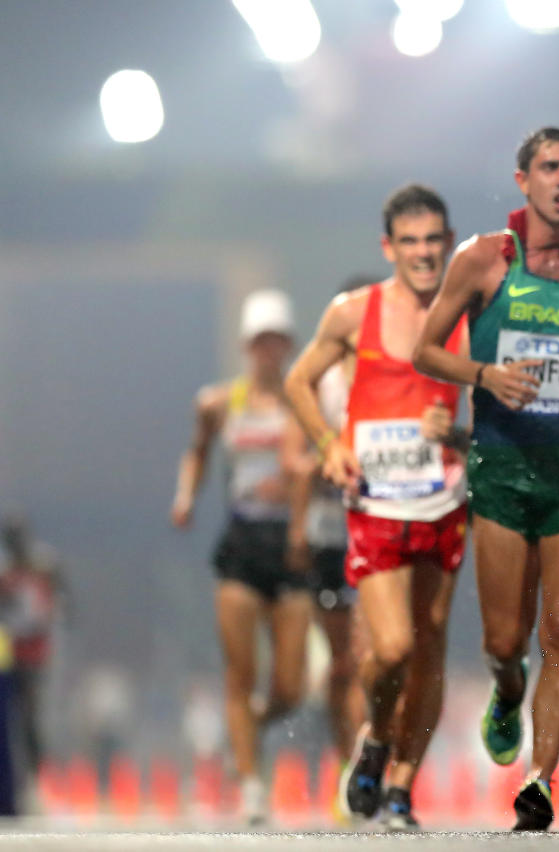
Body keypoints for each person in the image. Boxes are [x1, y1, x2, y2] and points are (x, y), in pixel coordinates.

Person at [413, 126, 559, 831]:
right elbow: (424, 350)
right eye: (549, 167)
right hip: (501, 469)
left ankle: (539, 782)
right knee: (506, 643)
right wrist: (484, 375)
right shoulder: (482, 260)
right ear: (523, 180)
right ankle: (507, 693)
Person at [284, 186, 468, 832]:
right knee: (390, 649)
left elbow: (505, 410)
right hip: (377, 503)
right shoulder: (353, 312)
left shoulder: (468, 315)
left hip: (444, 501)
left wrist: (461, 436)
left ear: (448, 244)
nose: (422, 253)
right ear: (389, 248)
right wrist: (329, 444)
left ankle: (401, 787)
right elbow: (298, 381)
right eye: (409, 242)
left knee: (430, 648)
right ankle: (377, 739)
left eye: (432, 241)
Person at [170, 289, 312, 825]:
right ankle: (252, 784)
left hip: (292, 544)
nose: (268, 351)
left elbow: (324, 460)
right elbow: (197, 451)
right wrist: (185, 496)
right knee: (239, 672)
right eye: (260, 342)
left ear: (288, 345)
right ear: (247, 346)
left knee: (292, 686)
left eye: (277, 341)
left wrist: (303, 481)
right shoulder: (219, 403)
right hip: (242, 544)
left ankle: (251, 725)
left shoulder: (304, 402)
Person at [283, 278, 374, 793]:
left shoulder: (394, 370)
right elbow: (291, 459)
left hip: (378, 526)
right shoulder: (320, 382)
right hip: (328, 533)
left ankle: (373, 761)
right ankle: (347, 761)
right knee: (343, 664)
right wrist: (329, 454)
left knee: (374, 654)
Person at [0, 513, 68, 800]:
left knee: (30, 717)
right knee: (10, 719)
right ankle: (15, 780)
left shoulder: (44, 565)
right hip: (8, 652)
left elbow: (64, 601)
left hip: (35, 652)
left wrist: (54, 619)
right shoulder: (4, 573)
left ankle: (36, 779)